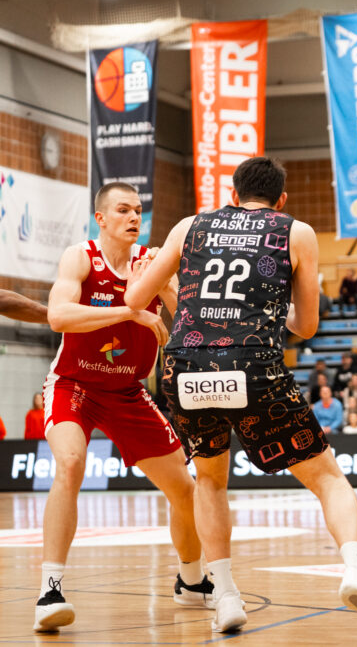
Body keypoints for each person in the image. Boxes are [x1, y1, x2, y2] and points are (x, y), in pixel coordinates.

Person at [124, 157, 357, 638]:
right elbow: (306, 326)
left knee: (210, 481)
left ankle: (226, 595)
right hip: (252, 367)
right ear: (281, 199)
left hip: (185, 368)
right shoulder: (297, 232)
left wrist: (165, 285)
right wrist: (271, 307)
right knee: (328, 479)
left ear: (232, 195)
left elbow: (133, 302)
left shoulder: (189, 226)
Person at [36, 182, 211, 633]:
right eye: (123, 210)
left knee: (185, 489)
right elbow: (58, 316)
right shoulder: (80, 257)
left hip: (127, 392)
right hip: (74, 385)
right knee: (70, 464)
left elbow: (188, 324)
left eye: (138, 210)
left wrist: (166, 287)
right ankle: (50, 590)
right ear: (101, 218)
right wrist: (129, 311)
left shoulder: (151, 262)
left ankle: (192, 581)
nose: (134, 217)